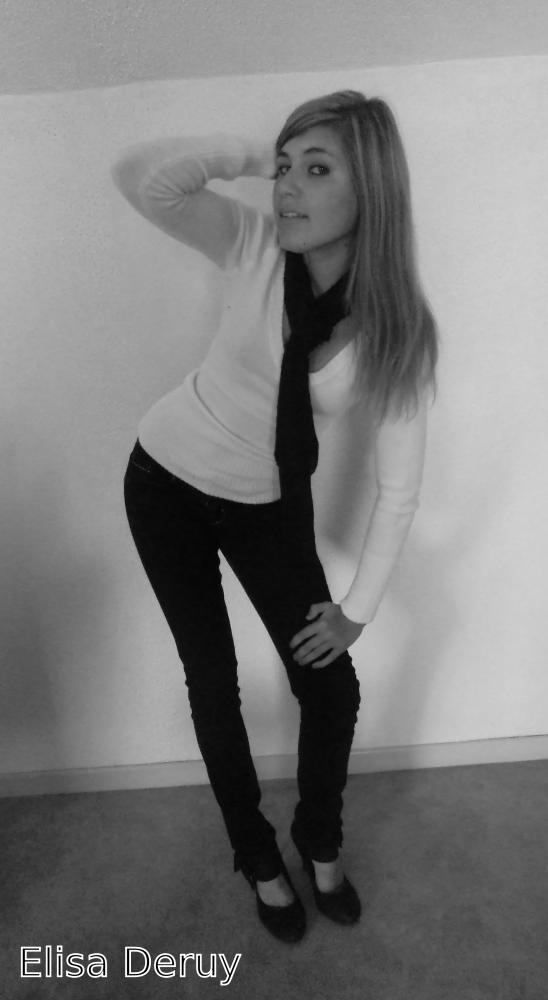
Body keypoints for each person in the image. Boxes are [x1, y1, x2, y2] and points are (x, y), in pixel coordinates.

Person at [112, 89, 438, 944]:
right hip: (163, 480)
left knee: (329, 687)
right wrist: (263, 154)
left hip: (265, 504)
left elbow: (399, 489)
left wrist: (358, 610)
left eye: (317, 169)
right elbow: (140, 178)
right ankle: (257, 857)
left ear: (372, 188)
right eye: (285, 169)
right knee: (211, 678)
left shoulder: (394, 329)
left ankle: (319, 843)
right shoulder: (255, 243)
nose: (288, 187)